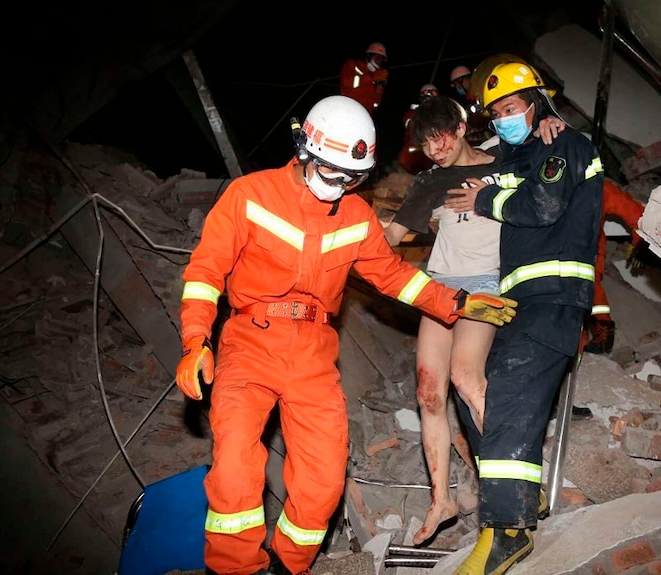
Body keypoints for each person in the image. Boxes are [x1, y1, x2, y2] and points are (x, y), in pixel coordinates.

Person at [173, 94, 518, 575]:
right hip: (250, 341)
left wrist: (455, 303)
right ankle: (235, 569)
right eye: (332, 174)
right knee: (234, 466)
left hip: (314, 351)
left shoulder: (354, 215)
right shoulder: (250, 196)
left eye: (352, 178)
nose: (340, 187)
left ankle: (287, 567)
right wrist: (195, 342)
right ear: (303, 151)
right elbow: (206, 272)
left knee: (324, 478)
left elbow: (393, 274)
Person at [444, 62, 603, 574]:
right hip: (520, 300)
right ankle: (523, 495)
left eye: (512, 108)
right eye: (496, 113)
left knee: (510, 393)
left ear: (539, 103)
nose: (504, 118)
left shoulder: (566, 144)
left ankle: (508, 532)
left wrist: (487, 199)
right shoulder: (525, 152)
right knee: (475, 392)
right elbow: (496, 170)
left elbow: (545, 203)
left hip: (554, 297)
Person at [387, 96, 566, 546]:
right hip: (440, 287)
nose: (434, 147)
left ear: (461, 127)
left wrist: (550, 127)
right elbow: (389, 237)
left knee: (467, 378)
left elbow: (548, 169)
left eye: (440, 135)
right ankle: (441, 500)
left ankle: (520, 482)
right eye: (425, 143)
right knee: (429, 393)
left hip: (486, 284)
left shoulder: (505, 161)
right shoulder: (428, 181)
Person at [585, 178, 646, 354]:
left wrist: (640, 243)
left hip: (587, 256)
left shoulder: (597, 186)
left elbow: (635, 213)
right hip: (557, 258)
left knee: (590, 293)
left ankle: (601, 334)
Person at [397, 83, 439, 175]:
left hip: (431, 163)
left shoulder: (439, 116)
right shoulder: (413, 114)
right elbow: (410, 124)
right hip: (411, 162)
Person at [339, 42, 389, 115]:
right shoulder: (352, 64)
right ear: (368, 56)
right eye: (377, 58)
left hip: (365, 116)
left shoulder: (376, 78)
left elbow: (375, 105)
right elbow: (346, 82)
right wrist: (372, 77)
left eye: (381, 60)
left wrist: (379, 90)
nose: (379, 62)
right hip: (348, 111)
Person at [449, 65, 493, 147]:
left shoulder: (482, 93)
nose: (457, 87)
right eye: (455, 85)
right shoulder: (464, 102)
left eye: (457, 84)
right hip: (479, 142)